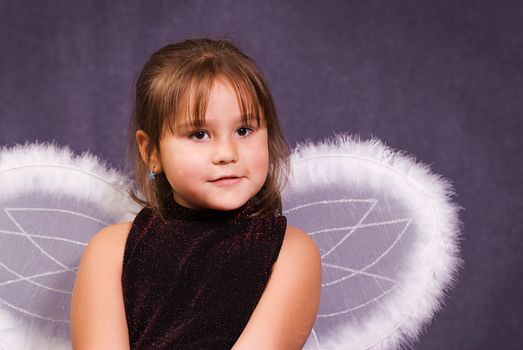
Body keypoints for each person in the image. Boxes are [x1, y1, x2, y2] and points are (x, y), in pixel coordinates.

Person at [70, 38, 322, 349]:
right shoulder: (111, 252)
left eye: (244, 130)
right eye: (199, 134)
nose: (227, 153)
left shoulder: (290, 253)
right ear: (152, 152)